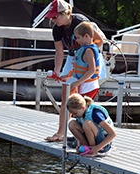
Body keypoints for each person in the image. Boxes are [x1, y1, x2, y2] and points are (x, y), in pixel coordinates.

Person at [44, 0, 104, 142]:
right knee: (66, 96)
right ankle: (61, 133)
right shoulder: (57, 28)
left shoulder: (80, 21)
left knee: (85, 98)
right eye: (51, 17)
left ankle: (87, 133)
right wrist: (57, 72)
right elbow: (59, 53)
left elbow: (99, 41)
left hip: (86, 55)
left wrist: (86, 54)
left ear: (66, 14)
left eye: (55, 17)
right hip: (73, 57)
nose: (53, 20)